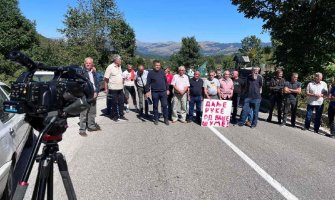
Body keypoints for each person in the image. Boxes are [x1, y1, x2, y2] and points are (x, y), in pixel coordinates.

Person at [79, 57, 101, 136]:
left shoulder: (94, 72)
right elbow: (80, 85)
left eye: (89, 63)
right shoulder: (81, 72)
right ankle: (82, 130)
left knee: (92, 112)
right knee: (83, 113)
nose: (88, 64)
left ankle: (91, 126)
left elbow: (97, 83)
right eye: (86, 63)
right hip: (85, 95)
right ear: (84, 63)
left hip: (94, 94)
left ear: (92, 64)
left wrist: (97, 92)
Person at [104, 55, 128, 122]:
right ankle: (114, 116)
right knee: (114, 103)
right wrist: (106, 89)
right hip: (113, 89)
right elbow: (106, 79)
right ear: (115, 60)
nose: (121, 61)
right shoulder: (110, 67)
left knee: (121, 102)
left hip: (120, 88)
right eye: (120, 59)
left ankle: (121, 115)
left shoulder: (119, 66)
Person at [145, 60, 170, 125]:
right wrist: (147, 91)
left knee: (164, 106)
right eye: (156, 65)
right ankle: (156, 119)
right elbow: (148, 83)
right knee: (155, 106)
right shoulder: (150, 73)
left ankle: (166, 119)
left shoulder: (162, 72)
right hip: (155, 92)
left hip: (163, 92)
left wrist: (167, 89)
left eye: (159, 65)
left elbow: (166, 81)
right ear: (154, 66)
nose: (158, 66)